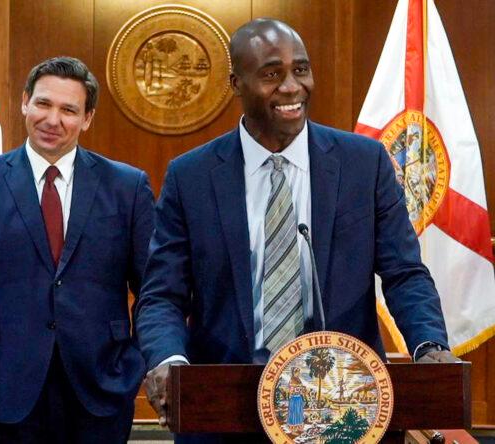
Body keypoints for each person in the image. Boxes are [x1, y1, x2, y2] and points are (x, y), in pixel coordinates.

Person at [135, 18, 458, 443]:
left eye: (300, 70)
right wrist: (168, 358)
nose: (291, 87)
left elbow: (404, 273)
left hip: (345, 403)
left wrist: (428, 344)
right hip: (226, 407)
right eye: (272, 74)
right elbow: (162, 294)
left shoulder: (365, 164)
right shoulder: (191, 176)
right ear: (236, 82)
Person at [0, 56, 154, 443]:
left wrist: (140, 362)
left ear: (87, 118)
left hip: (101, 388)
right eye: (43, 103)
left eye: (68, 110)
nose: (52, 119)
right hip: (2, 388)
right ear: (25, 101)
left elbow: (154, 291)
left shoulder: (127, 187)